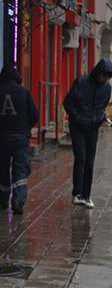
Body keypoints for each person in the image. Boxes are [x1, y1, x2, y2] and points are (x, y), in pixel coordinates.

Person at [62, 58, 112, 210]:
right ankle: (77, 193)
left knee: (90, 161)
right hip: (78, 125)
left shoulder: (107, 88)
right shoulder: (81, 83)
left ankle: (86, 194)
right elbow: (68, 102)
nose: (104, 79)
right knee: (81, 158)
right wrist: (77, 117)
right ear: (97, 72)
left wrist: (99, 119)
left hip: (93, 126)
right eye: (103, 75)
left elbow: (102, 106)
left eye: (107, 77)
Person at [0, 64, 38, 215]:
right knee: (20, 170)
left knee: (2, 169)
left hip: (2, 138)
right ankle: (18, 201)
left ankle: (2, 200)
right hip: (21, 138)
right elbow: (35, 116)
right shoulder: (24, 92)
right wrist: (25, 128)